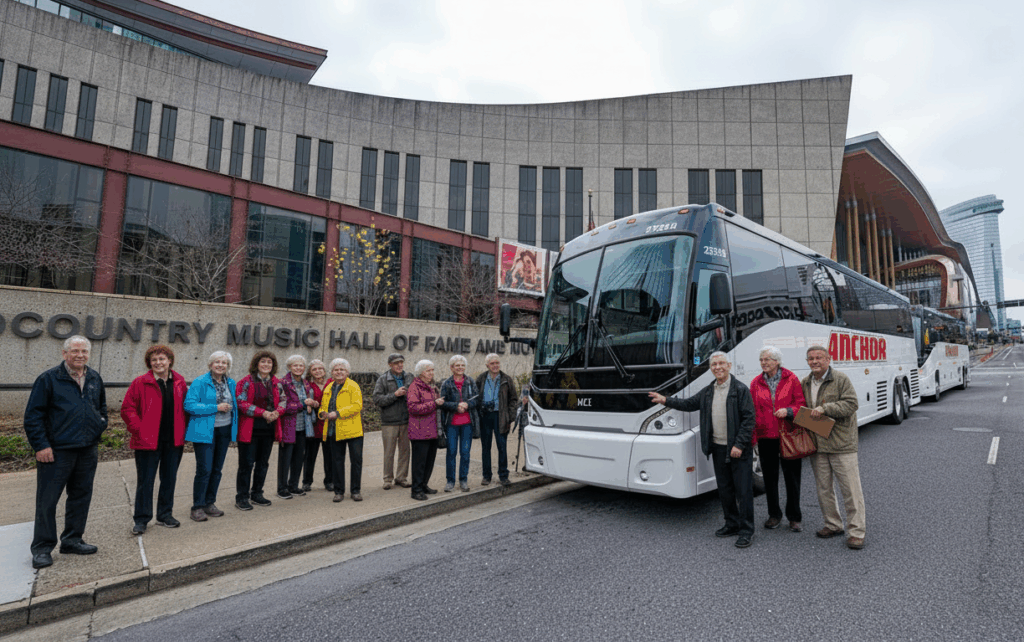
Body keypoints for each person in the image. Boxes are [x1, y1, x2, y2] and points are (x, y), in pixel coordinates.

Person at [648, 351, 756, 548]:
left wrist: (739, 445)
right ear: (711, 368)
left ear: (729, 366)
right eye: (714, 365)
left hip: (738, 450)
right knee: (725, 490)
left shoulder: (740, 389)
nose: (718, 367)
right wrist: (665, 400)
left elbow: (749, 420)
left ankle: (746, 530)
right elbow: (689, 404)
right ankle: (731, 524)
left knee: (743, 491)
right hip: (718, 448)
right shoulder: (708, 391)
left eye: (722, 363)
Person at [24, 336, 107, 570]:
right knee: (47, 501)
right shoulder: (49, 379)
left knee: (81, 497)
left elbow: (100, 407)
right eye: (75, 351)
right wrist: (41, 445)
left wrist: (99, 425)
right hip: (56, 451)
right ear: (64, 354)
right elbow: (33, 416)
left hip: (86, 449)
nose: (80, 355)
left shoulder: (93, 377)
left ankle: (72, 540)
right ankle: (42, 548)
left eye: (84, 351)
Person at [801, 345, 865, 550]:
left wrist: (825, 408)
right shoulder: (805, 382)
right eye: (811, 359)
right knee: (824, 489)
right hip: (818, 444)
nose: (814, 361)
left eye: (819, 357)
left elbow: (851, 404)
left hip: (841, 444)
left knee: (851, 490)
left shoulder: (841, 379)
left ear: (829, 359)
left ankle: (856, 532)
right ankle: (833, 524)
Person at [120, 345, 188, 534]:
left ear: (170, 361)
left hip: (173, 441)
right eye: (154, 360)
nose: (158, 363)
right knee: (146, 481)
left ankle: (165, 515)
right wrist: (138, 429)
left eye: (162, 359)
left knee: (169, 479)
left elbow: (186, 408)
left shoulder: (180, 382)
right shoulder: (140, 382)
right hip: (147, 441)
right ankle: (141, 519)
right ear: (149, 363)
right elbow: (127, 409)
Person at [749, 345, 807, 533]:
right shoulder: (756, 383)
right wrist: (753, 438)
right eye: (761, 360)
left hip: (788, 434)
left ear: (777, 361)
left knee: (792, 478)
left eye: (767, 359)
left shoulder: (791, 379)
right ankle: (774, 515)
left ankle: (794, 517)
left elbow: (801, 405)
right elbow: (753, 412)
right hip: (766, 437)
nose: (763, 363)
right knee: (770, 479)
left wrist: (789, 411)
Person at [183, 351, 237, 522]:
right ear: (210, 364)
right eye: (217, 362)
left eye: (224, 363)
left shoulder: (231, 383)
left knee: (216, 470)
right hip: (204, 431)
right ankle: (197, 506)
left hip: (224, 430)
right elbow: (189, 405)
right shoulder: (200, 381)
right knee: (204, 469)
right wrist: (215, 407)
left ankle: (209, 503)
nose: (221, 365)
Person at [236, 351, 286, 510]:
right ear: (256, 363)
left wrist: (277, 412)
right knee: (246, 464)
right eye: (263, 361)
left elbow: (284, 401)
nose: (266, 365)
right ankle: (242, 497)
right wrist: (262, 412)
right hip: (250, 429)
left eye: (269, 362)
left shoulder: (277, 383)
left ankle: (257, 493)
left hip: (269, 429)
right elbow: (241, 403)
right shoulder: (246, 381)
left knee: (263, 463)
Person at [319, 358, 364, 502]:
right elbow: (323, 406)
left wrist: (337, 413)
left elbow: (357, 406)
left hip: (353, 431)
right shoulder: (328, 387)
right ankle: (339, 491)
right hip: (334, 430)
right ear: (331, 372)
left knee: (356, 462)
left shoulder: (353, 386)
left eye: (342, 370)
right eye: (336, 370)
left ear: (347, 372)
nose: (339, 372)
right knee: (337, 462)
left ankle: (355, 491)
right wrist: (322, 413)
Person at [474, 353, 519, 487]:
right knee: (485, 448)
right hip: (485, 416)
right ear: (487, 365)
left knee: (502, 447)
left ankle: (503, 476)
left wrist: (510, 417)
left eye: (497, 363)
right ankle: (486, 476)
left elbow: (514, 400)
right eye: (492, 363)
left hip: (501, 417)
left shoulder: (506, 379)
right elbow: (475, 397)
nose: (495, 366)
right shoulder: (481, 379)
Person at [440, 355, 480, 492]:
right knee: (451, 452)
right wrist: (456, 406)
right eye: (457, 365)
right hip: (451, 424)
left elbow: (476, 399)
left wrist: (467, 404)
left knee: (465, 452)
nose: (460, 368)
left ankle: (463, 479)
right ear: (451, 367)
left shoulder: (470, 381)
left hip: (467, 424)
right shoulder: (446, 383)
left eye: (462, 365)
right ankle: (450, 481)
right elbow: (442, 402)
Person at [372, 353, 413, 490]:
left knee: (405, 452)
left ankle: (401, 478)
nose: (400, 365)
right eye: (396, 363)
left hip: (406, 420)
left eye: (401, 362)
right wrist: (395, 395)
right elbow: (377, 399)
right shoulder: (383, 379)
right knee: (389, 452)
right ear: (390, 364)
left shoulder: (409, 377)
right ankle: (387, 479)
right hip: (389, 422)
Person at [278, 355, 316, 499]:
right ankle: (282, 488)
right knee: (285, 459)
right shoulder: (283, 383)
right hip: (288, 425)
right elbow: (283, 405)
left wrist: (312, 403)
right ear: (289, 367)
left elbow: (311, 402)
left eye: (301, 366)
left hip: (303, 426)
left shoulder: (306, 384)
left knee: (299, 458)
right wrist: (302, 405)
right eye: (295, 365)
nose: (298, 368)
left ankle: (293, 485)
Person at [407, 360, 444, 501]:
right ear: (421, 373)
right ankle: (415, 490)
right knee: (419, 463)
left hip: (433, 430)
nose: (432, 373)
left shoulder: (431, 387)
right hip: (419, 431)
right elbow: (413, 408)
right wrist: (433, 404)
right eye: (429, 370)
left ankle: (423, 485)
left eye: (432, 370)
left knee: (429, 461)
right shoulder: (414, 387)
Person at [302, 359, 331, 492]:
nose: (318, 371)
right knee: (310, 455)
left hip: (329, 423)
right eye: (314, 369)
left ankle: (329, 481)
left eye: (320, 368)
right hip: (313, 424)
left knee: (329, 454)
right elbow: (301, 399)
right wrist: (308, 403)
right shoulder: (307, 385)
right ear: (310, 373)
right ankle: (307, 481)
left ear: (325, 371)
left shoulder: (332, 383)